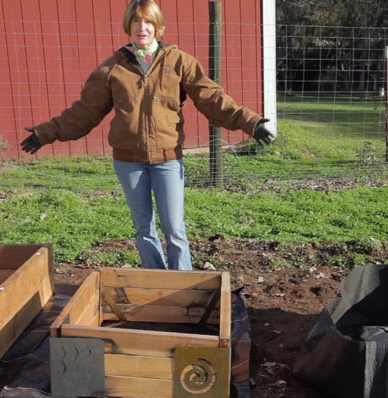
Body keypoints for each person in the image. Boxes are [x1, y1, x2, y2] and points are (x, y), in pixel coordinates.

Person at [20, 0, 276, 271]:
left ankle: (183, 286)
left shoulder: (180, 62)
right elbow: (84, 112)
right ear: (128, 27)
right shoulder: (112, 69)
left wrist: (251, 122)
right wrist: (45, 133)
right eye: (136, 22)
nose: (142, 27)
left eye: (148, 22)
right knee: (144, 229)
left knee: (175, 229)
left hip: (167, 159)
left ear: (158, 27)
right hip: (128, 162)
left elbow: (211, 98)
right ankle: (155, 284)